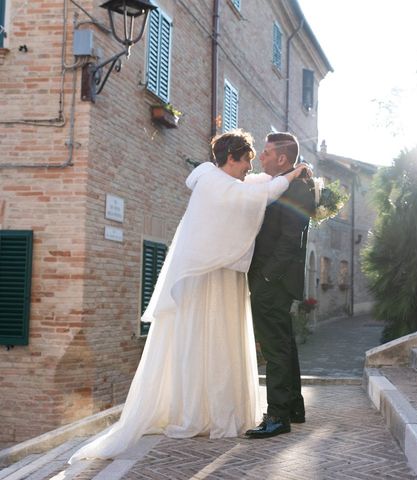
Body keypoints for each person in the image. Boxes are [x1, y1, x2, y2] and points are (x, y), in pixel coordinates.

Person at [69, 129, 309, 463]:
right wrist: (294, 174)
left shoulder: (219, 180)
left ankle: (239, 408)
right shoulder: (214, 183)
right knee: (206, 339)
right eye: (246, 161)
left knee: (224, 340)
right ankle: (200, 411)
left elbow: (252, 186)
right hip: (208, 276)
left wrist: (289, 176)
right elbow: (259, 195)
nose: (249, 169)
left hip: (221, 273)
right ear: (230, 159)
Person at [245, 132, 315, 439]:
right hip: (274, 279)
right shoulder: (288, 184)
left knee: (274, 348)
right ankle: (293, 408)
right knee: (283, 343)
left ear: (282, 158)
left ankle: (277, 416)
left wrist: (267, 277)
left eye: (266, 152)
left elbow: (289, 240)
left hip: (273, 280)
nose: (261, 157)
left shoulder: (295, 189)